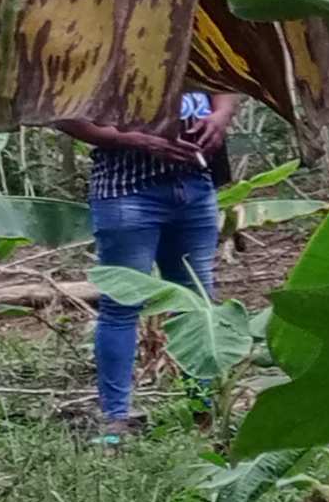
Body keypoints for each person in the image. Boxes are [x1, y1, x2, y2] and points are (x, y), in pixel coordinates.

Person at [60, 84, 235, 435]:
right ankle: (117, 417)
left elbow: (225, 82)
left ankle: (205, 410)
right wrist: (141, 140)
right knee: (122, 304)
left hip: (195, 187)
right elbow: (64, 115)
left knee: (197, 304)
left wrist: (220, 117)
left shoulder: (195, 35)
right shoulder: (100, 42)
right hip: (127, 191)